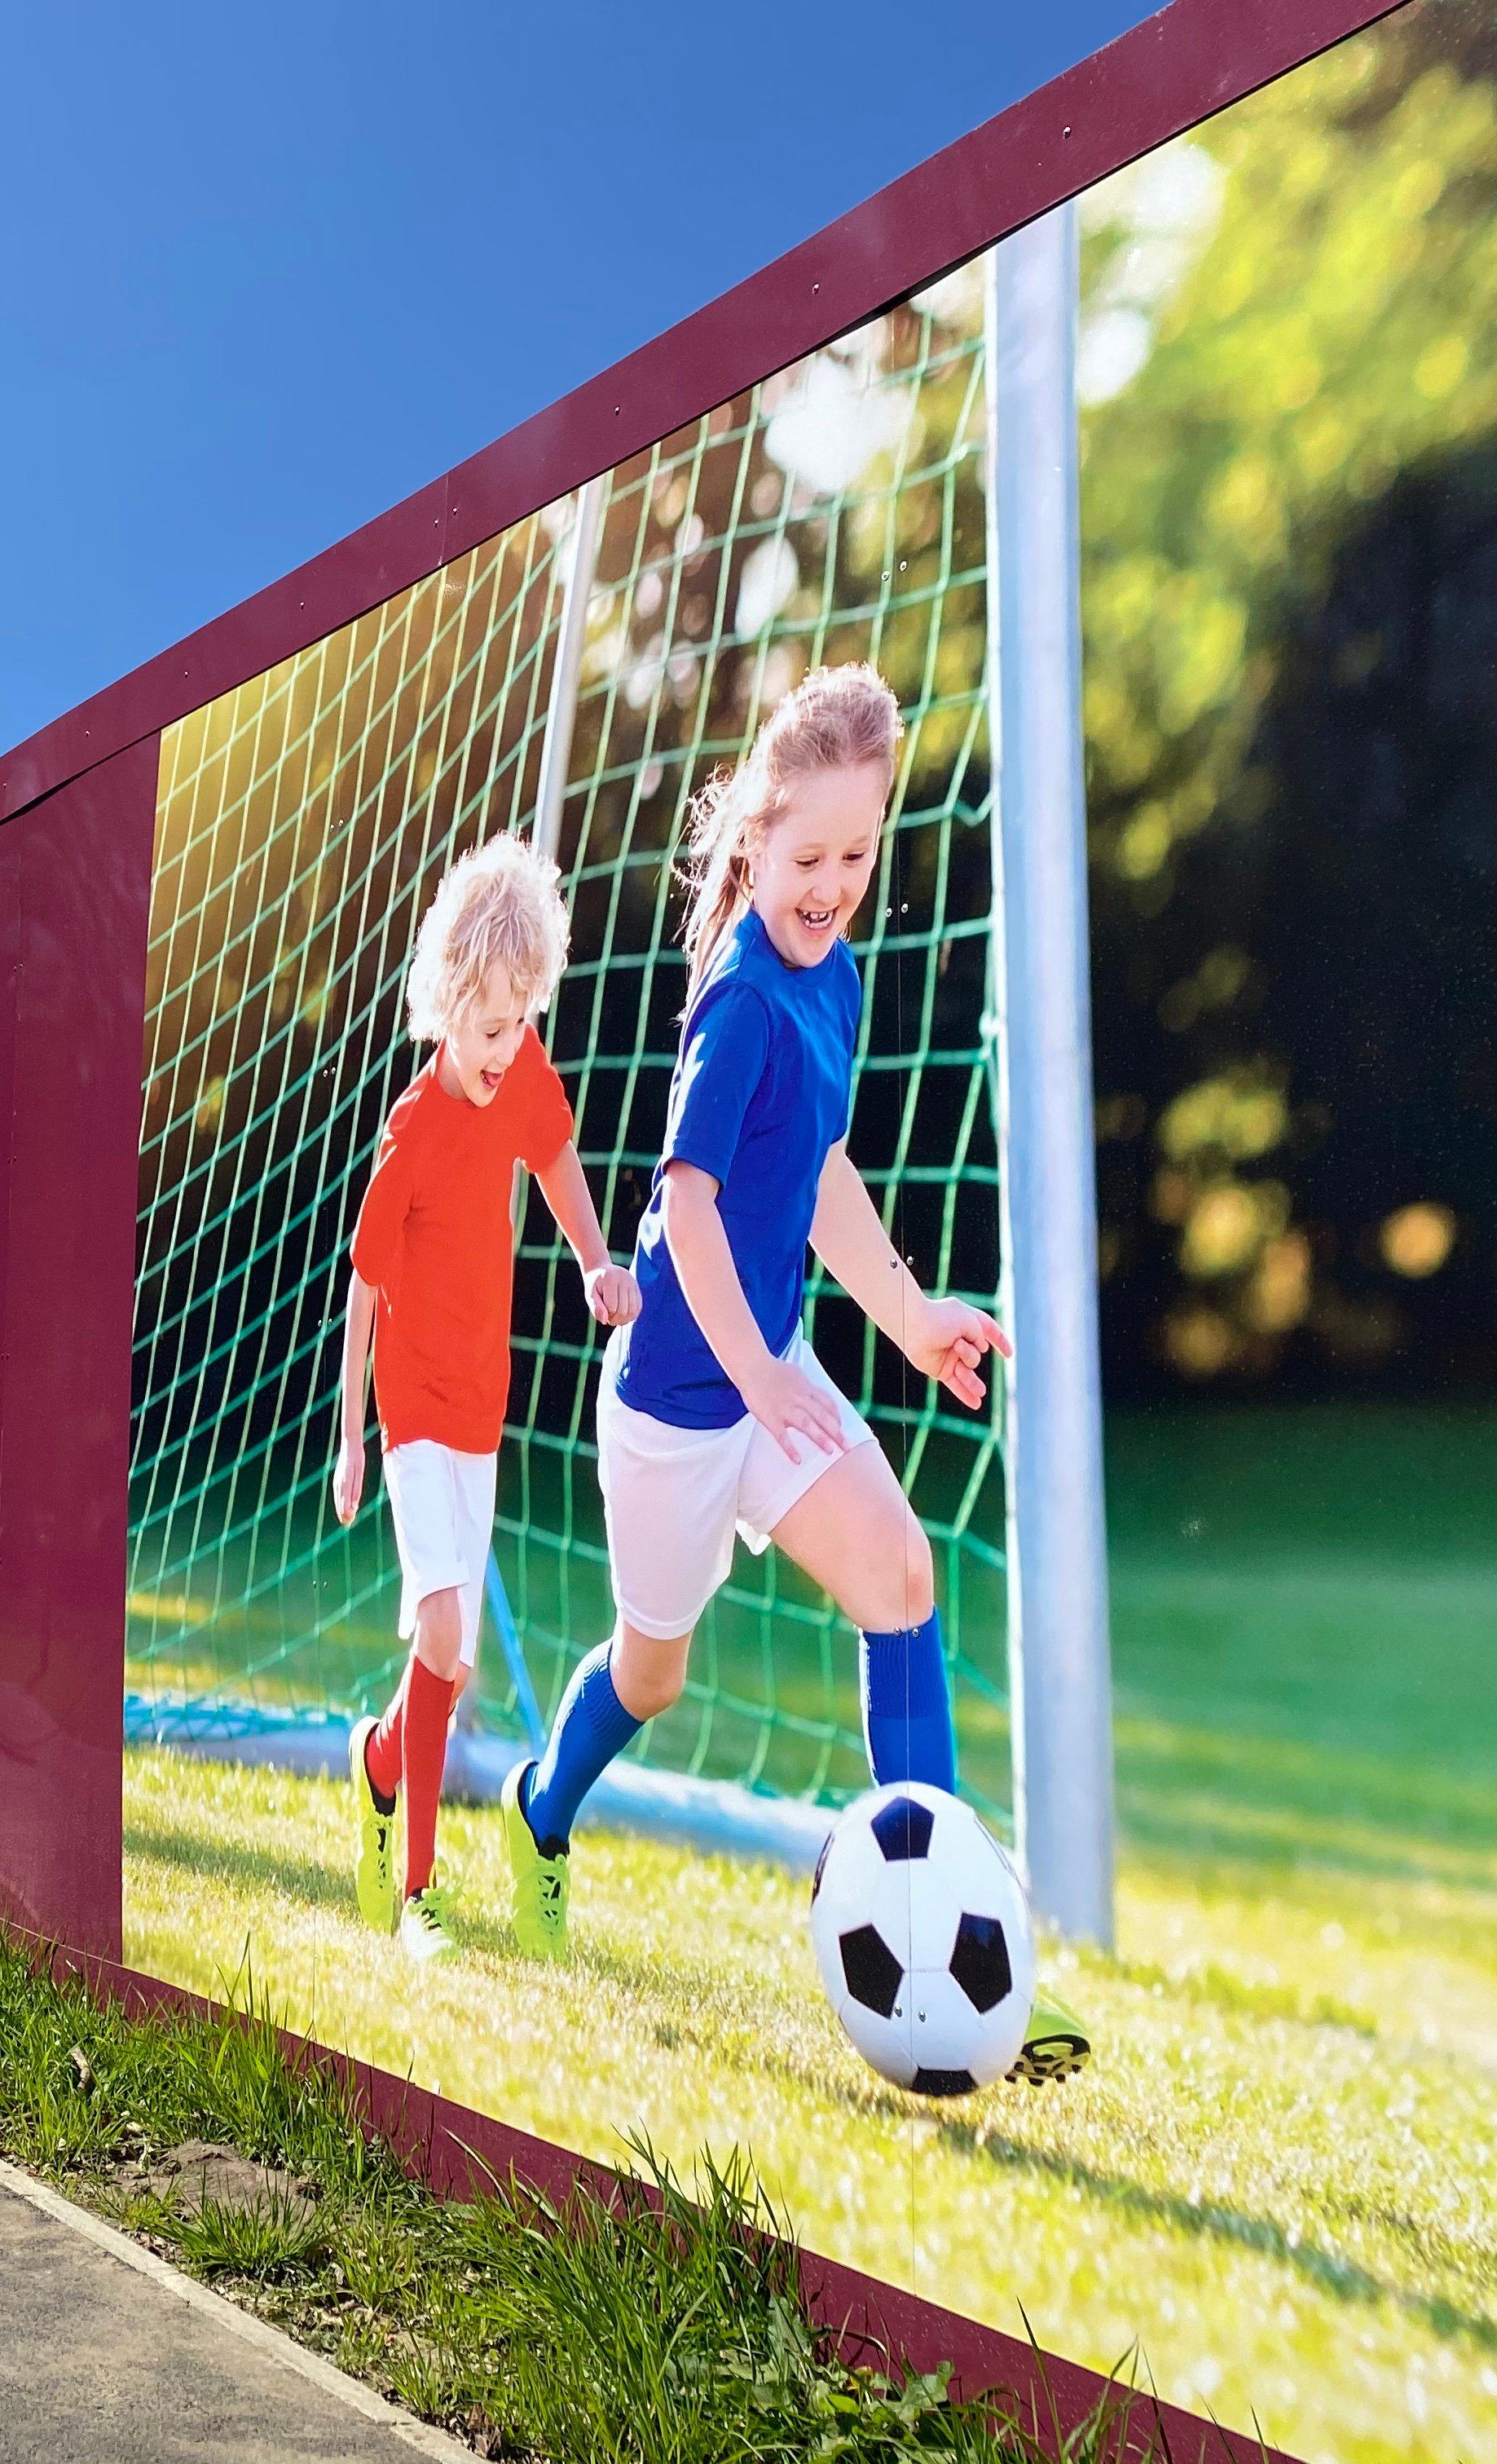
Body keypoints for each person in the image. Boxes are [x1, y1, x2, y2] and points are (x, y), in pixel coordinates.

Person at [496, 663, 1090, 2083]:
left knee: (902, 1575)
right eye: (808, 856)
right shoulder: (743, 1006)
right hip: (676, 1405)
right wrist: (758, 1377)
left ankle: (959, 1960)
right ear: (755, 840)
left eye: (856, 856)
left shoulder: (839, 985)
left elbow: (822, 1172)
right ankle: (538, 1809)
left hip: (772, 1377)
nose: (831, 886)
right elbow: (689, 1208)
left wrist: (909, 1316)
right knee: (653, 1674)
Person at [333, 835, 634, 1960]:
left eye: (521, 1022)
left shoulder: (525, 1068)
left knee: (449, 1664)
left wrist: (596, 1260)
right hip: (410, 1409)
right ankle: (420, 1898)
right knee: (446, 1626)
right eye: (490, 1025)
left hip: (481, 1408)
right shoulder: (412, 1130)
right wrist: (352, 1440)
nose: (507, 1047)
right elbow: (364, 1287)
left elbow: (553, 1157)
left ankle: (379, 1763)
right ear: (446, 1004)